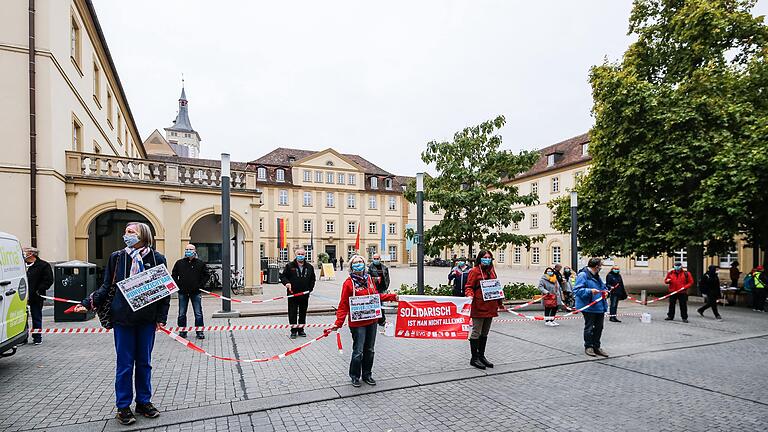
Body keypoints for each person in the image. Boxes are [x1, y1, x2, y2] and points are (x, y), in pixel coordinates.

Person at [72, 222, 168, 425]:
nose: (127, 235)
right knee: (124, 365)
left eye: (131, 232)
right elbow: (107, 285)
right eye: (126, 232)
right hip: (122, 318)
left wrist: (161, 318)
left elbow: (164, 292)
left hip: (146, 320)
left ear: (143, 235)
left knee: (144, 363)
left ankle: (143, 402)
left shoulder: (157, 259)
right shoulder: (118, 258)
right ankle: (123, 406)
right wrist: (88, 303)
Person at [328, 255, 397, 387]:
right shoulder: (348, 283)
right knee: (358, 351)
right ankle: (354, 376)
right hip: (357, 323)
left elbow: (376, 296)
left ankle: (367, 374)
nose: (358, 264)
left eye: (360, 262)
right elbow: (343, 305)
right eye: (355, 262)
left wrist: (392, 296)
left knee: (370, 350)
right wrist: (338, 323)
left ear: (364, 264)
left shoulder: (369, 280)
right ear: (351, 266)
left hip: (372, 321)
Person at [465, 250, 503, 370]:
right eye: (484, 257)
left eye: (489, 257)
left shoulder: (492, 270)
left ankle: (481, 356)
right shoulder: (474, 271)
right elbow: (469, 286)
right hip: (478, 305)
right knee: (476, 332)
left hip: (490, 306)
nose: (487, 259)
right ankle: (474, 358)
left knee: (485, 333)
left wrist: (500, 299)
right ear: (480, 258)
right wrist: (470, 295)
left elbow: (496, 286)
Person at [574, 257, 610, 357]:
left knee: (599, 327)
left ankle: (596, 347)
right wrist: (590, 291)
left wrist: (606, 292)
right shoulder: (583, 275)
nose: (601, 268)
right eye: (600, 266)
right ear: (596, 266)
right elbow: (577, 291)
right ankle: (589, 346)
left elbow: (603, 287)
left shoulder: (596, 275)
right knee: (589, 327)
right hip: (589, 306)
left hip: (599, 306)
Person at [171, 244, 207, 340]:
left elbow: (206, 275)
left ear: (195, 251)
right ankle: (182, 331)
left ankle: (199, 331)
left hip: (195, 292)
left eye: (190, 249)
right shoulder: (179, 263)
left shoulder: (200, 263)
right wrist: (178, 285)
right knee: (181, 313)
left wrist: (200, 286)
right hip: (183, 292)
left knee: (198, 312)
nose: (188, 251)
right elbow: (174, 275)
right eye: (186, 249)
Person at [280, 249, 316, 339]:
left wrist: (310, 289)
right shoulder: (289, 266)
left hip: (304, 294)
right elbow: (283, 276)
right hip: (293, 294)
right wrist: (287, 283)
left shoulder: (309, 267)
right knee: (292, 312)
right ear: (296, 255)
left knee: (303, 312)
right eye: (299, 254)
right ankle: (293, 331)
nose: (301, 255)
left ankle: (301, 330)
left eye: (302, 254)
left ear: (305, 255)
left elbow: (313, 279)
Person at [23, 247, 53, 345]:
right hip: (21, 296)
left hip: (36, 296)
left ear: (31, 254)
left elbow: (48, 280)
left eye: (25, 252)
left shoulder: (43, 265)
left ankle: (37, 337)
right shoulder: (21, 265)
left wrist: (39, 290)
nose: (24, 254)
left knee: (36, 316)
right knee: (22, 317)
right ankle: (23, 337)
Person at [367, 253, 390, 326]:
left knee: (381, 305)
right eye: (375, 258)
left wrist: (386, 287)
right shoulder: (370, 267)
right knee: (374, 305)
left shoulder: (384, 267)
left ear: (380, 259)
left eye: (377, 259)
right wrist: (375, 280)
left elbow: (387, 278)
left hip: (382, 288)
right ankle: (374, 320)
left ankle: (382, 320)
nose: (376, 260)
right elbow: (368, 278)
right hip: (374, 289)